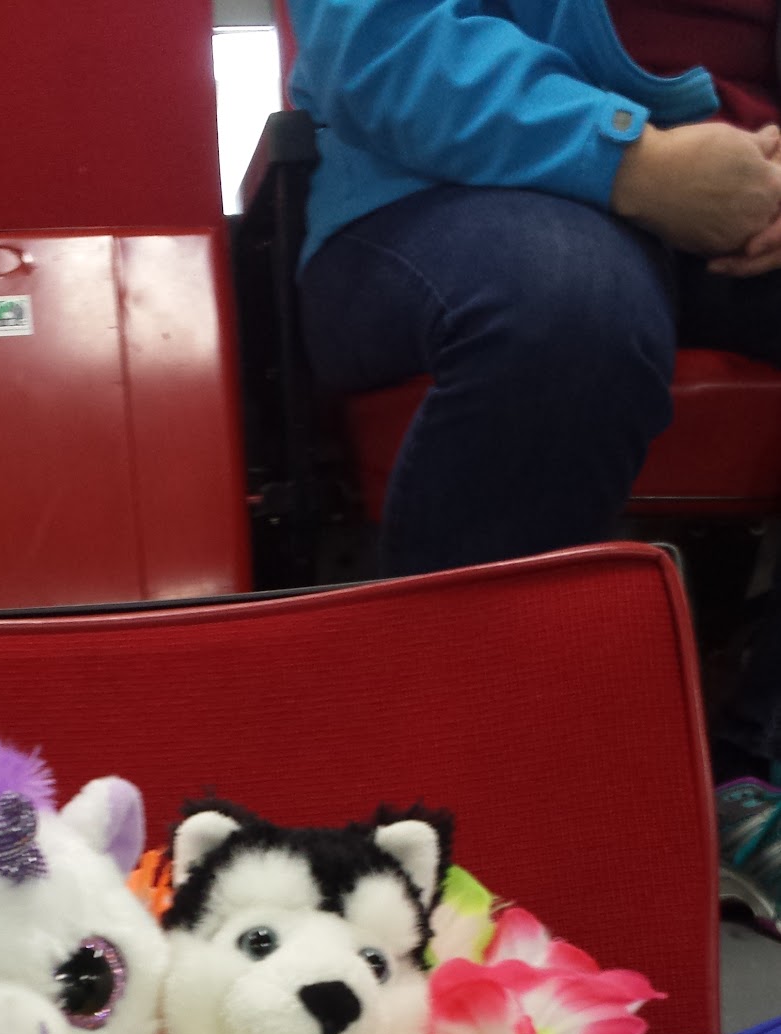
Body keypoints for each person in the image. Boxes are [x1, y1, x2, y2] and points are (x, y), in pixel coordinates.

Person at [290, 0, 781, 923]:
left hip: (742, 185)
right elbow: (381, 47)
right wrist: (628, 160)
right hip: (440, 187)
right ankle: (451, 793)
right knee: (566, 311)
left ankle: (752, 782)